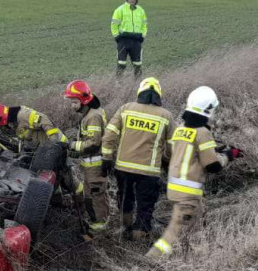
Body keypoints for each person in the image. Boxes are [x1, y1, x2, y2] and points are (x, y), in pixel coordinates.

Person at [146, 86, 242, 258]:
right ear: (208, 110)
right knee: (177, 234)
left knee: (190, 230)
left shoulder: (181, 129)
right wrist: (228, 155)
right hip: (188, 194)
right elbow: (213, 166)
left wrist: (214, 150)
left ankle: (187, 261)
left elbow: (178, 154)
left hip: (176, 190)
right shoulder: (202, 132)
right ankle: (152, 261)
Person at [101, 77, 172, 241]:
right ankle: (140, 238)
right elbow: (172, 145)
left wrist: (106, 158)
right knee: (145, 204)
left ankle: (125, 229)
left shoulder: (126, 109)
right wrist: (167, 163)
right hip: (149, 171)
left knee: (125, 199)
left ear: (140, 91)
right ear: (158, 95)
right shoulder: (166, 116)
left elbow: (109, 135)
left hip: (123, 168)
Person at [64, 79, 110, 232]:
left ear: (84, 100)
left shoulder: (92, 117)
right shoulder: (90, 112)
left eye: (74, 102)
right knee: (91, 192)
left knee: (96, 193)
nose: (72, 106)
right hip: (91, 163)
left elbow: (93, 142)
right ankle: (96, 219)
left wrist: (73, 146)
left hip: (95, 164)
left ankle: (100, 224)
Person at [0, 103, 67, 147]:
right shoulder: (14, 122)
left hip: (60, 143)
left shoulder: (23, 115)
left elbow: (45, 120)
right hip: (44, 146)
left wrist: (53, 144)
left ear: (3, 121)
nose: (0, 128)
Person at [111, 0, 148, 77]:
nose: (132, 0)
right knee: (121, 63)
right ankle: (118, 83)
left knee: (138, 64)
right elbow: (113, 25)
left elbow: (145, 25)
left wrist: (142, 36)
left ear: (136, 0)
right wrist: (117, 37)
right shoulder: (120, 9)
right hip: (123, 40)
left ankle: (137, 83)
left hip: (136, 41)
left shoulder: (141, 10)